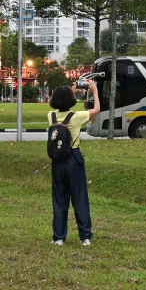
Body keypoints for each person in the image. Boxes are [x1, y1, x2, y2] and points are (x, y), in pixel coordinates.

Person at [47, 80, 100, 247]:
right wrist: (94, 91)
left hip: (57, 160)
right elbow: (97, 109)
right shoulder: (77, 117)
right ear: (71, 99)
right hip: (74, 157)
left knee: (59, 198)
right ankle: (85, 236)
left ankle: (59, 237)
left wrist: (70, 90)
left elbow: (62, 100)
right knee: (79, 197)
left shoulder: (51, 117)